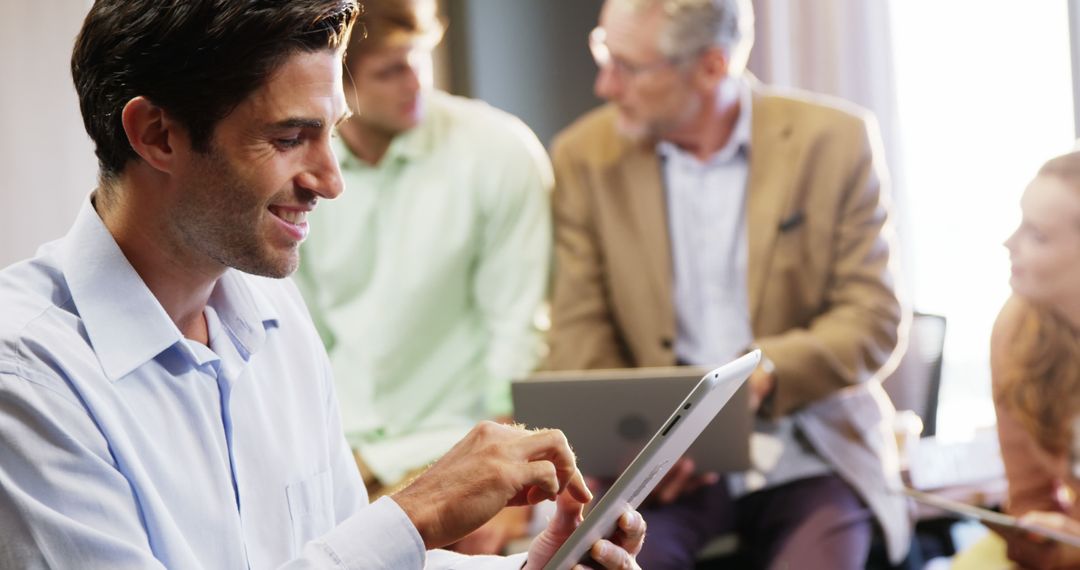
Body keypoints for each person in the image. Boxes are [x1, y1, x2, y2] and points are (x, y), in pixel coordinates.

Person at [0, 1, 645, 568]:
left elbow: (346, 553)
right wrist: (417, 513)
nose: (331, 181)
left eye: (330, 133)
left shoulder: (274, 311)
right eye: (289, 138)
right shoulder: (26, 378)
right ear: (156, 135)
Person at [545, 0, 909, 567]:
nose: (605, 84)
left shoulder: (834, 140)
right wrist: (642, 441)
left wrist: (761, 379)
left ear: (713, 66)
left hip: (809, 451)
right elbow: (578, 331)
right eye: (602, 53)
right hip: (665, 473)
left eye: (629, 67)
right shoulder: (583, 158)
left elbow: (873, 320)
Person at [293, 0, 551, 553]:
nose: (417, 83)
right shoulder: (303, 172)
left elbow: (518, 331)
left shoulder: (499, 151)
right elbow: (303, 333)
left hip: (455, 446)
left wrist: (505, 474)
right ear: (339, 84)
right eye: (390, 70)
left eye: (421, 60)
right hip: (346, 457)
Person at [983, 151, 1080, 569]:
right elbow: (1029, 497)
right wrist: (1042, 541)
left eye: (1037, 234)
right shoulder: (1017, 331)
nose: (1009, 243)